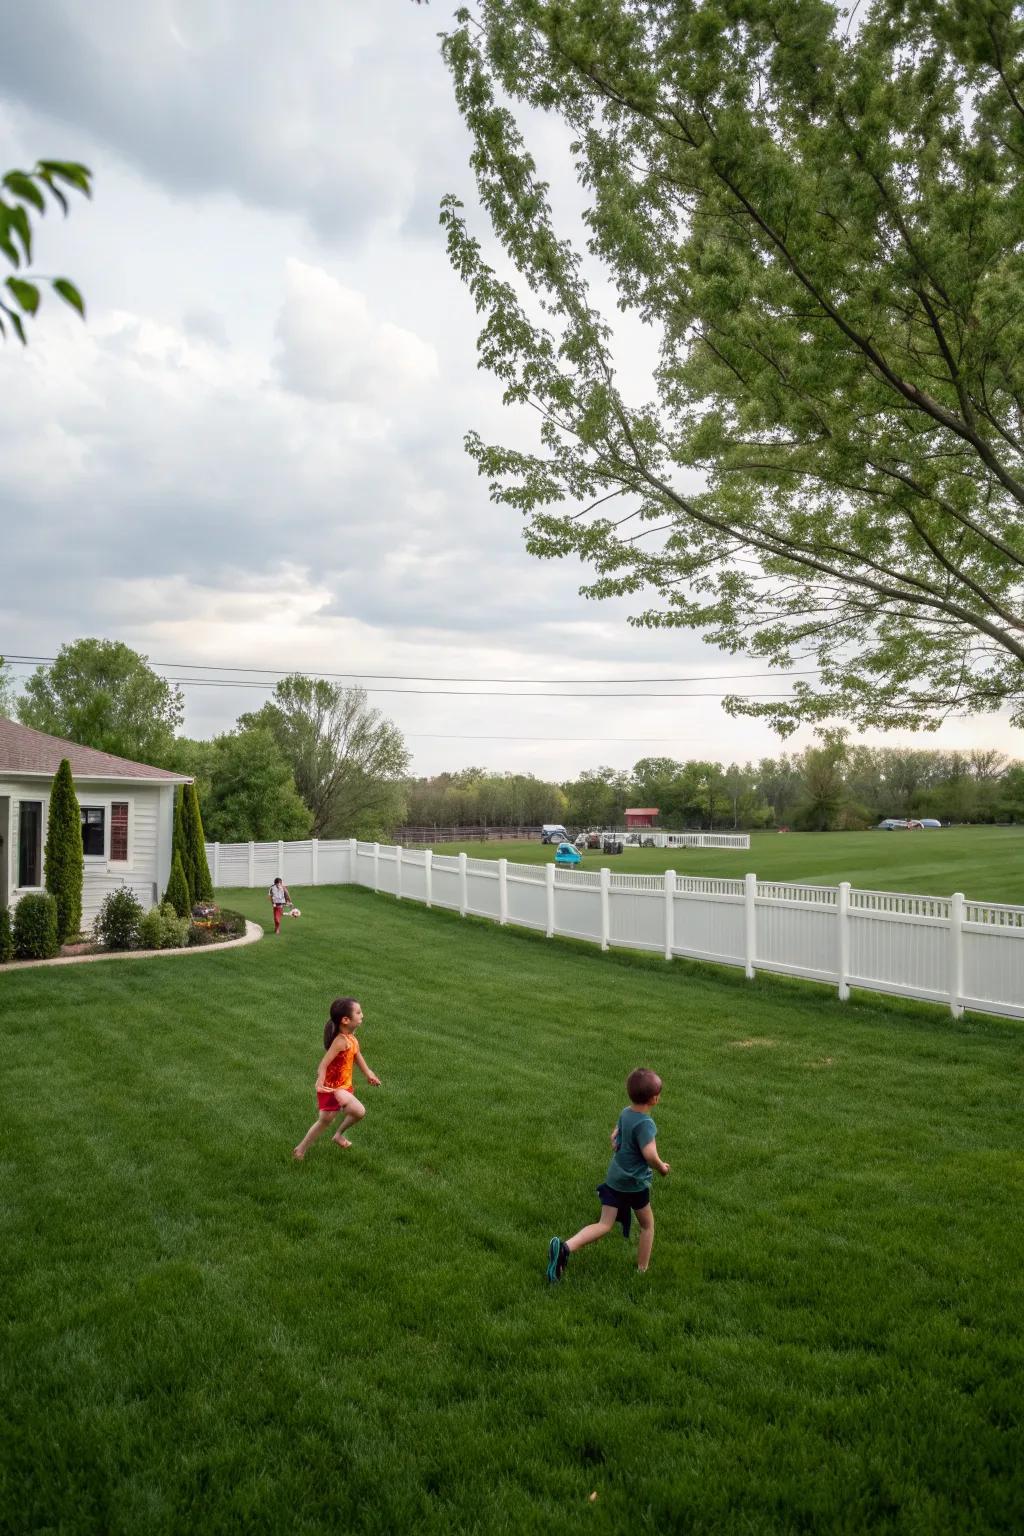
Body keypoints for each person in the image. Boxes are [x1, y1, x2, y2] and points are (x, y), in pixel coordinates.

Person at [546, 1068, 670, 1281]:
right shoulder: (646, 1123)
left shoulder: (625, 1112)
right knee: (647, 1225)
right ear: (655, 1099)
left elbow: (615, 1134)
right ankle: (642, 1270)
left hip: (614, 1179)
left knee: (604, 1224)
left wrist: (616, 1140)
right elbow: (649, 1154)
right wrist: (661, 1167)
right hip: (635, 1184)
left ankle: (566, 1248)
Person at [292, 998, 381, 1160]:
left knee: (325, 1121)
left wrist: (369, 1073)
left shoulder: (352, 1038)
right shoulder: (340, 1042)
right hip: (332, 1089)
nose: (362, 1015)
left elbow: (356, 1055)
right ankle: (333, 1137)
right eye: (359, 1012)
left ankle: (301, 1149)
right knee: (358, 1111)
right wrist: (320, 1081)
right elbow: (323, 1064)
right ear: (346, 1020)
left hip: (344, 1086)